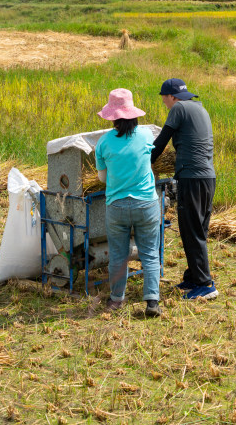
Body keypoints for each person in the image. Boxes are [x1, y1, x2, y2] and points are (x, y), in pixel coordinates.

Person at [95, 89, 162, 317]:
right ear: (133, 114)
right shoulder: (145, 136)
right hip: (146, 205)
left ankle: (116, 299)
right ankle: (152, 301)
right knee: (150, 253)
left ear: (112, 116)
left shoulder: (103, 143)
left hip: (117, 206)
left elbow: (103, 179)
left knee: (118, 255)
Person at [151, 78, 218, 301]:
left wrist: (143, 162)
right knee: (198, 229)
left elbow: (160, 142)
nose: (164, 103)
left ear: (172, 96)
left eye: (164, 99)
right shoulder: (200, 109)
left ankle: (205, 284)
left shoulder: (178, 108)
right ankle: (192, 277)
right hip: (208, 177)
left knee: (191, 230)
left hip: (192, 177)